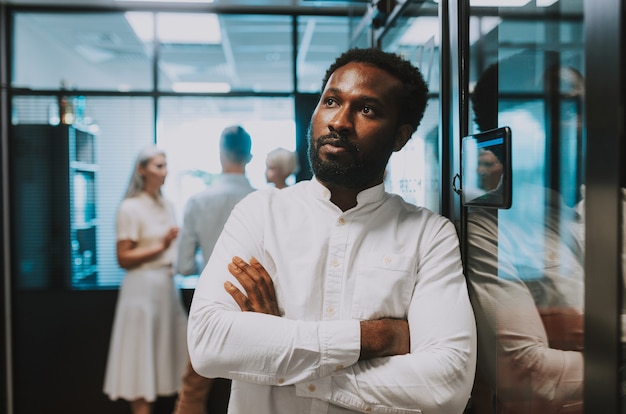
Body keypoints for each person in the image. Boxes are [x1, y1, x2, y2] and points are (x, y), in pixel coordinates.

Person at [187, 47, 477, 414]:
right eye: (331, 101)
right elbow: (209, 343)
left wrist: (283, 361)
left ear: (400, 136)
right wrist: (376, 338)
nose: (339, 121)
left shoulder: (428, 235)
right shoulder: (259, 213)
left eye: (366, 109)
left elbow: (445, 384)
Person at [465, 53, 585, 413]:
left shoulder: (596, 209)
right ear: (513, 125)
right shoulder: (486, 226)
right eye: (566, 108)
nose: (583, 124)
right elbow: (526, 374)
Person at [173, 125, 255, 414]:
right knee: (255, 389)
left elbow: (182, 265)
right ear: (250, 156)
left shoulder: (197, 201)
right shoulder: (263, 201)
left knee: (193, 391)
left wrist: (209, 265)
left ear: (221, 154)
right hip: (253, 308)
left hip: (209, 305)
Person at [103, 146, 188, 414]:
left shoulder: (168, 205)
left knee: (171, 360)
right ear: (142, 170)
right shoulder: (130, 207)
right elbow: (123, 257)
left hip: (166, 288)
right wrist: (161, 245)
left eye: (165, 165)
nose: (165, 171)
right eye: (158, 166)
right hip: (141, 290)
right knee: (140, 361)